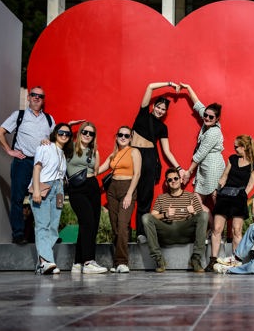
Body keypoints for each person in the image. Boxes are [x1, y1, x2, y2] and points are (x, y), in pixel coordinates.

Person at [0, 86, 55, 244]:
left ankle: (44, 236)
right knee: (17, 198)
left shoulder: (49, 119)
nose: (37, 98)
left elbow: (56, 140)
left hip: (42, 165)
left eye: (40, 96)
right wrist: (9, 151)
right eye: (34, 95)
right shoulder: (19, 115)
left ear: (43, 100)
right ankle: (19, 234)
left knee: (43, 200)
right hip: (23, 162)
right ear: (28, 98)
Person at [131, 82, 186, 244]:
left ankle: (141, 233)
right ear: (153, 105)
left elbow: (167, 151)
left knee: (145, 197)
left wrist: (179, 168)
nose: (160, 111)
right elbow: (149, 87)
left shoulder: (163, 127)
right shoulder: (143, 114)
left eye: (164, 109)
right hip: (133, 154)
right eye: (159, 107)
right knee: (127, 193)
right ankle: (124, 232)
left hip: (149, 158)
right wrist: (169, 84)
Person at [206, 135, 254, 272]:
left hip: (239, 197)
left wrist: (242, 196)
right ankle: (213, 260)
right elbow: (224, 176)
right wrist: (217, 190)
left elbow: (250, 185)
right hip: (225, 195)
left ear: (244, 147)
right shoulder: (232, 159)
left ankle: (236, 261)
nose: (234, 148)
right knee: (217, 229)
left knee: (236, 230)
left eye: (236, 146)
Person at [142, 167, 209, 273]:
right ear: (167, 183)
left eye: (175, 178)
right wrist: (165, 215)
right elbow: (151, 217)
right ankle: (159, 259)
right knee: (145, 217)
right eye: (170, 180)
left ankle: (195, 259)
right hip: (167, 231)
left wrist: (193, 213)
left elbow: (201, 218)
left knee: (204, 215)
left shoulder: (191, 197)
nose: (173, 181)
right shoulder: (161, 198)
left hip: (185, 230)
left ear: (181, 180)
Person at [181, 83, 225, 232]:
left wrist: (188, 172)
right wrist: (188, 88)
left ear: (217, 119)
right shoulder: (207, 121)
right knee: (197, 201)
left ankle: (216, 232)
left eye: (210, 116)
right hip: (204, 167)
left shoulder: (213, 132)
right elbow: (199, 105)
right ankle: (212, 229)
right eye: (205, 115)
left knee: (214, 198)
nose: (206, 117)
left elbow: (201, 153)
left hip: (213, 166)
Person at [98, 126, 142, 273]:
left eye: (126, 135)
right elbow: (98, 169)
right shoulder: (114, 154)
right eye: (120, 135)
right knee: (115, 227)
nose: (123, 137)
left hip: (127, 187)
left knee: (123, 225)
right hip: (112, 189)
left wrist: (129, 194)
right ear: (116, 136)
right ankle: (117, 263)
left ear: (130, 138)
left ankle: (123, 262)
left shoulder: (134, 152)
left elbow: (137, 174)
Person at [65, 122, 107, 274]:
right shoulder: (69, 147)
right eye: (85, 132)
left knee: (91, 225)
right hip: (76, 189)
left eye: (91, 133)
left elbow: (95, 172)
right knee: (87, 221)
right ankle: (89, 261)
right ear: (80, 132)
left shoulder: (94, 151)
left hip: (92, 187)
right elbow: (56, 136)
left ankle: (77, 262)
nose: (87, 135)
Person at [30, 123, 72, 274]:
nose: (64, 135)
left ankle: (42, 263)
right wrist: (36, 189)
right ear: (55, 133)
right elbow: (37, 168)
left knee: (53, 228)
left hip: (58, 189)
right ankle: (46, 262)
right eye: (61, 132)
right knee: (42, 225)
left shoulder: (63, 153)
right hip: (43, 187)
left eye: (68, 134)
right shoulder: (45, 147)